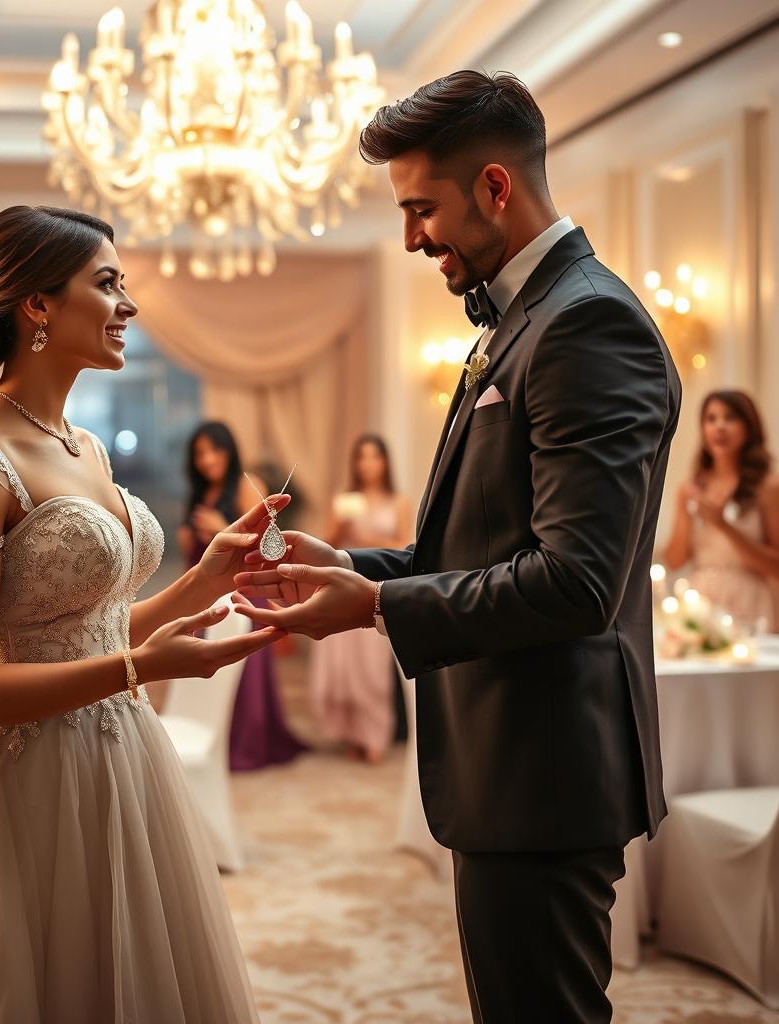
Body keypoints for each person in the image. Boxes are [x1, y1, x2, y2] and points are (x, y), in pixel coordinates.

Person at [234, 71, 681, 1022]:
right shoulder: (520, 320)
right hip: (508, 762)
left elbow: (576, 581)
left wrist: (379, 607)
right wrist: (351, 565)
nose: (409, 239)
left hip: (546, 770)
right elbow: (480, 543)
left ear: (494, 188)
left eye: (420, 209)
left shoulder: (586, 323)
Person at [0, 206, 288, 1023]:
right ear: (38, 304)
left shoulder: (85, 448)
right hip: (28, 782)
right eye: (107, 284)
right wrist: (146, 668)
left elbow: (95, 629)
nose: (128, 305)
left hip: (125, 758)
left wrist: (201, 583)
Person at [178, 421, 304, 771]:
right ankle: (210, 738)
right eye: (199, 454)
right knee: (209, 670)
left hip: (244, 593)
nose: (207, 460)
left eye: (213, 450)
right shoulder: (199, 495)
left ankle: (249, 744)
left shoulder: (249, 487)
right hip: (208, 598)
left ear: (229, 450)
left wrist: (221, 529)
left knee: (244, 672)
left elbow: (268, 546)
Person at [309, 434, 410, 761]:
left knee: (372, 669)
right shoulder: (343, 498)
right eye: (362, 457)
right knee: (343, 669)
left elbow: (406, 547)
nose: (368, 464)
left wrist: (366, 536)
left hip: (377, 589)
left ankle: (376, 735)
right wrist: (339, 528)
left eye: (375, 457)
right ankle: (352, 734)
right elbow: (326, 547)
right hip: (343, 584)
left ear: (385, 462)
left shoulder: (399, 501)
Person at [661, 390, 778, 630]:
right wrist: (687, 508)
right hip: (701, 605)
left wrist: (723, 525)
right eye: (711, 419)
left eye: (730, 418)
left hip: (751, 606)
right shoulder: (690, 489)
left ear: (749, 426)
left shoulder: (767, 486)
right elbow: (674, 561)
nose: (720, 427)